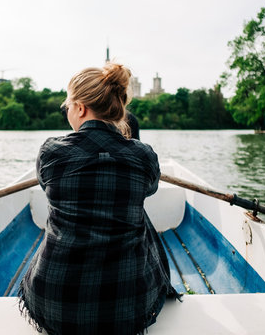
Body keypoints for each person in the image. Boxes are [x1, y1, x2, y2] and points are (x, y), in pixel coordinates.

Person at [18, 62, 178, 335]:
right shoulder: (143, 155)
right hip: (128, 307)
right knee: (140, 215)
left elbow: (47, 186)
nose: (66, 109)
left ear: (81, 108)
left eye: (67, 104)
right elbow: (149, 189)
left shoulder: (51, 152)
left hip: (54, 302)